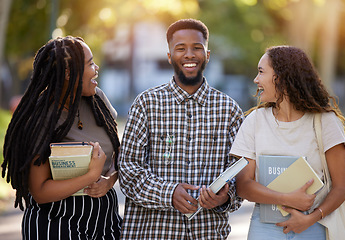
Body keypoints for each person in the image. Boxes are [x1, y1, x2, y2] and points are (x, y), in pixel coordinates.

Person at [118, 18, 244, 239]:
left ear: (207, 55)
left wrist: (225, 197)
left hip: (208, 233)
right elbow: (128, 170)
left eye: (197, 48)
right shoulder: (146, 104)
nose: (189, 55)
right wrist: (169, 193)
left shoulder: (230, 111)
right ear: (169, 57)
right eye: (180, 48)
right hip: (152, 233)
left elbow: (240, 175)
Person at [1, 36, 122, 239]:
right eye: (91, 63)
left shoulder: (97, 100)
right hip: (57, 223)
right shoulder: (42, 117)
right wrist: (90, 177)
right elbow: (39, 192)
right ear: (69, 73)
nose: (96, 67)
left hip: (104, 219)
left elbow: (117, 152)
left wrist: (109, 180)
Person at [230, 45, 345, 239]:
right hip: (265, 225)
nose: (256, 79)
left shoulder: (325, 122)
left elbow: (342, 186)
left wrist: (310, 219)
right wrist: (285, 198)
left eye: (261, 72)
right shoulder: (254, 121)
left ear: (282, 77)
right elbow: (243, 185)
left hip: (314, 224)